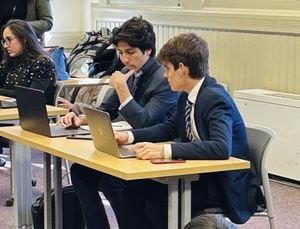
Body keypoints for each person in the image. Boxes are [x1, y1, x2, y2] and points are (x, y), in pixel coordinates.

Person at [114, 33, 265, 229]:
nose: (164, 74)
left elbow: (220, 148)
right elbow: (169, 128)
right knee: (130, 190)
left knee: (156, 201)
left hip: (222, 185)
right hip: (199, 176)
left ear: (182, 69)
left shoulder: (215, 98)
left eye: (167, 68)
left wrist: (165, 150)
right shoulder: (186, 95)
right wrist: (130, 136)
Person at [62, 16, 178, 228]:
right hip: (128, 145)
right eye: (120, 52)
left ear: (148, 51)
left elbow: (144, 122)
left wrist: (123, 89)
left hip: (152, 150)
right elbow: (106, 110)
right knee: (80, 172)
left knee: (113, 182)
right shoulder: (127, 72)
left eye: (130, 52)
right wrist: (80, 119)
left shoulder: (164, 78)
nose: (124, 59)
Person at [0, 19, 56, 166]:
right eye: (3, 41)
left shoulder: (43, 62)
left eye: (9, 40)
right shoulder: (12, 61)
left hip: (34, 121)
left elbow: (30, 95)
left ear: (24, 38)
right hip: (11, 116)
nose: (5, 46)